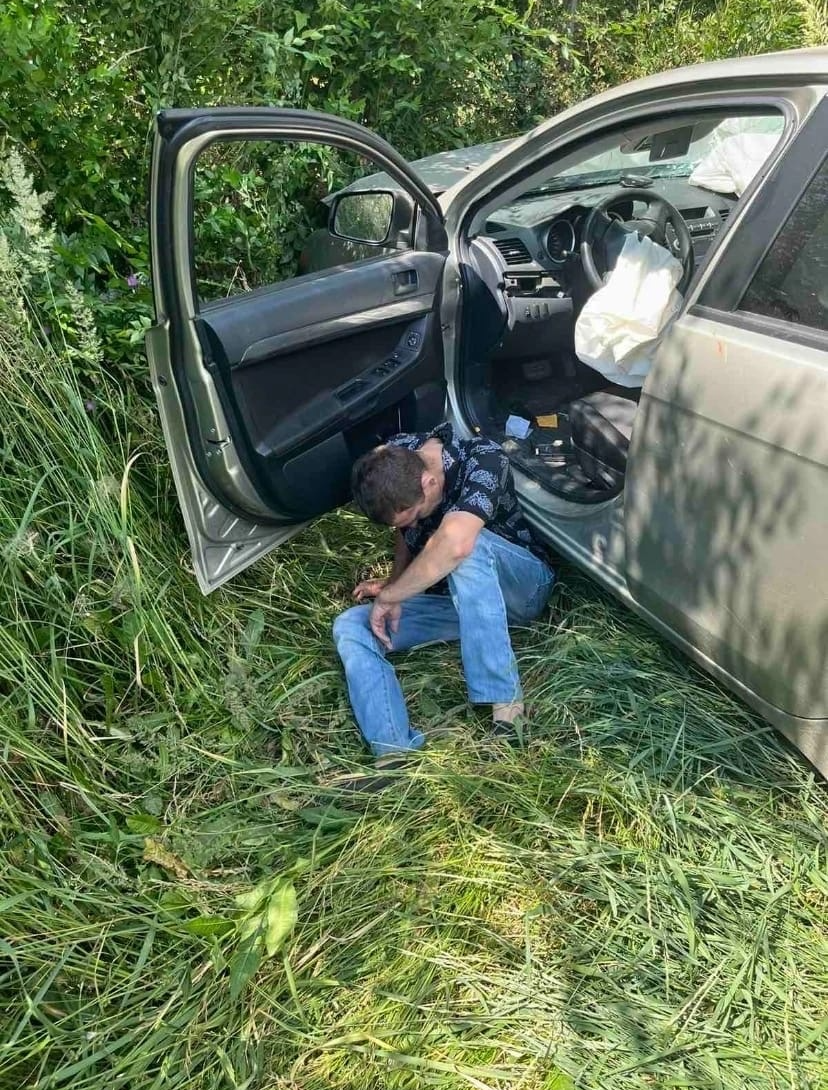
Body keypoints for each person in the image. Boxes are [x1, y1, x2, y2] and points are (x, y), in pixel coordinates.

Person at [332, 421, 555, 768]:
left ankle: (508, 713)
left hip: (521, 587)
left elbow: (456, 544)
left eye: (416, 513)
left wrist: (392, 597)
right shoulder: (400, 450)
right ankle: (393, 751)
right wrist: (396, 582)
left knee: (465, 546)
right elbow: (405, 532)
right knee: (351, 626)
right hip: (457, 597)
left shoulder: (484, 460)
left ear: (429, 482)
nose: (410, 524)